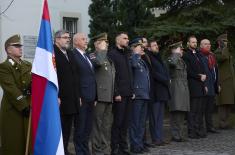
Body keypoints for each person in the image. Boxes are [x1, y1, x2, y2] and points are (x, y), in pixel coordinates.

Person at [0, 34, 32, 155]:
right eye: (17, 46)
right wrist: (23, 105)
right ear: (8, 49)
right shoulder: (4, 67)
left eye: (20, 46)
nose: (20, 48)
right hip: (14, 109)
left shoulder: (27, 65)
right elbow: (11, 89)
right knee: (14, 143)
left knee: (27, 143)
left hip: (28, 107)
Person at [54, 30, 80, 155]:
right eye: (65, 37)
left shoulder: (70, 53)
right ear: (57, 39)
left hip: (71, 98)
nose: (68, 39)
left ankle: (64, 150)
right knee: (58, 128)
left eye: (69, 37)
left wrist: (77, 96)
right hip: (59, 99)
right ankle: (58, 151)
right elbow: (52, 77)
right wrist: (55, 95)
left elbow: (75, 76)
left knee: (67, 127)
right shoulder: (52, 53)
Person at [89, 33, 115, 155]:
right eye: (104, 42)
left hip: (109, 96)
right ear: (96, 44)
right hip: (99, 96)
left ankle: (106, 149)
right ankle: (97, 150)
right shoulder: (93, 55)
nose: (107, 45)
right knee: (97, 125)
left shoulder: (108, 58)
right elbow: (98, 64)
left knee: (106, 125)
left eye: (107, 43)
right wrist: (102, 50)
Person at [107, 32, 133, 155]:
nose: (127, 40)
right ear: (118, 40)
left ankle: (124, 148)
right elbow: (113, 76)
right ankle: (115, 148)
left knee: (125, 122)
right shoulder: (112, 54)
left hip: (128, 93)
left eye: (128, 38)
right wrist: (116, 92)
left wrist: (132, 90)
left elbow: (130, 74)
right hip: (119, 95)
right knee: (117, 122)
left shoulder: (127, 53)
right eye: (125, 38)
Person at [72, 33, 97, 155]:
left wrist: (95, 96)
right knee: (80, 127)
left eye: (86, 39)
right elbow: (75, 78)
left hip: (91, 96)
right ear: (76, 42)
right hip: (82, 97)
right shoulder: (73, 55)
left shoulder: (86, 55)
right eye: (83, 39)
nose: (86, 41)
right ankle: (80, 151)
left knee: (88, 127)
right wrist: (78, 96)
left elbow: (92, 77)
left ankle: (85, 150)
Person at [183, 36, 207, 139]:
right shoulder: (186, 55)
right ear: (188, 43)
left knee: (199, 110)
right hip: (192, 85)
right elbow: (188, 71)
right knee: (192, 110)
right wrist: (199, 76)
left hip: (201, 85)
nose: (195, 44)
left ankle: (198, 130)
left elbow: (202, 68)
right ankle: (191, 132)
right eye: (193, 42)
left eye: (196, 42)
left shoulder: (198, 54)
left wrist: (204, 84)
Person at [129, 38, 150, 153]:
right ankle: (135, 145)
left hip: (144, 95)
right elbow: (134, 65)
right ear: (133, 48)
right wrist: (136, 54)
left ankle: (140, 144)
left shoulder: (142, 60)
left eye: (142, 47)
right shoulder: (133, 58)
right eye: (139, 46)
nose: (142, 48)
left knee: (142, 123)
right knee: (135, 122)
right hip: (137, 95)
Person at [148, 40, 171, 146]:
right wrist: (166, 80)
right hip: (155, 92)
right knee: (154, 117)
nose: (156, 47)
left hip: (162, 91)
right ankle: (155, 139)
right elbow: (154, 73)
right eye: (154, 45)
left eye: (157, 45)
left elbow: (165, 71)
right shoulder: (150, 58)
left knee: (160, 117)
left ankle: (160, 138)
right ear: (149, 48)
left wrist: (167, 79)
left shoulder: (159, 57)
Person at [167, 41, 190, 142]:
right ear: (174, 50)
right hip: (176, 88)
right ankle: (175, 135)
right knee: (176, 112)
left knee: (181, 113)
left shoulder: (181, 61)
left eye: (181, 49)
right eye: (179, 49)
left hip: (183, 88)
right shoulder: (171, 58)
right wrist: (175, 53)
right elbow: (172, 63)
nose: (181, 51)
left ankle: (179, 134)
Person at [215, 34, 235, 129]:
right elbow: (223, 58)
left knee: (229, 103)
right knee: (223, 103)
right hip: (222, 81)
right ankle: (222, 123)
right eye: (224, 41)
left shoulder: (226, 52)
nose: (226, 43)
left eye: (226, 41)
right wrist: (224, 48)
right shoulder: (218, 52)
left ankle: (226, 122)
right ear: (220, 42)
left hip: (229, 82)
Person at [199, 39, 219, 133]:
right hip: (205, 85)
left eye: (209, 44)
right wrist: (204, 85)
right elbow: (201, 72)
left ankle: (210, 127)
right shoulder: (200, 56)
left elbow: (215, 72)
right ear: (201, 46)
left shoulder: (212, 56)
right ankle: (201, 128)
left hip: (212, 85)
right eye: (205, 44)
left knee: (210, 109)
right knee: (202, 108)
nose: (208, 45)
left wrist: (217, 84)